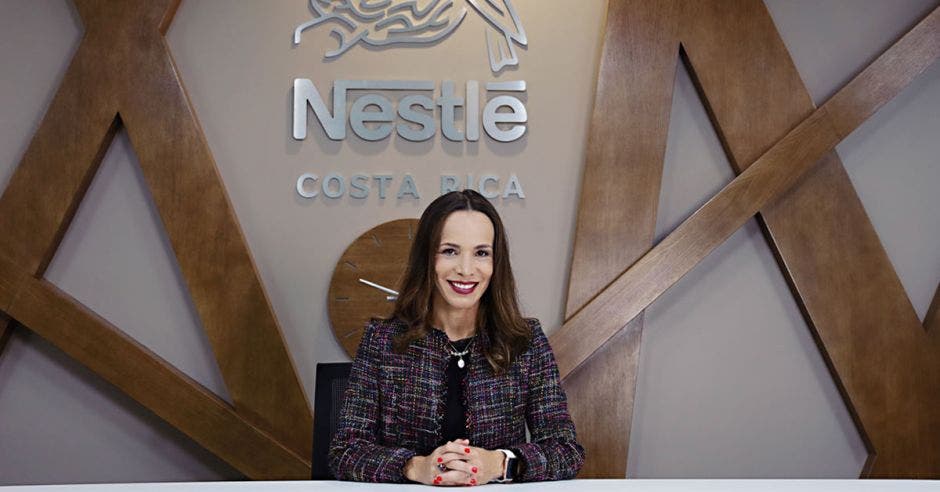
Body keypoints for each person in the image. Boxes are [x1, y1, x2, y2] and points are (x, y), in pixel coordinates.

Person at [329, 189, 584, 485]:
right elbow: (346, 451)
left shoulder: (525, 341)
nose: (465, 270)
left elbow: (565, 450)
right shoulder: (382, 341)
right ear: (427, 257)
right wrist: (415, 467)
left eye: (481, 253)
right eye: (449, 250)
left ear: (495, 262)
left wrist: (498, 463)